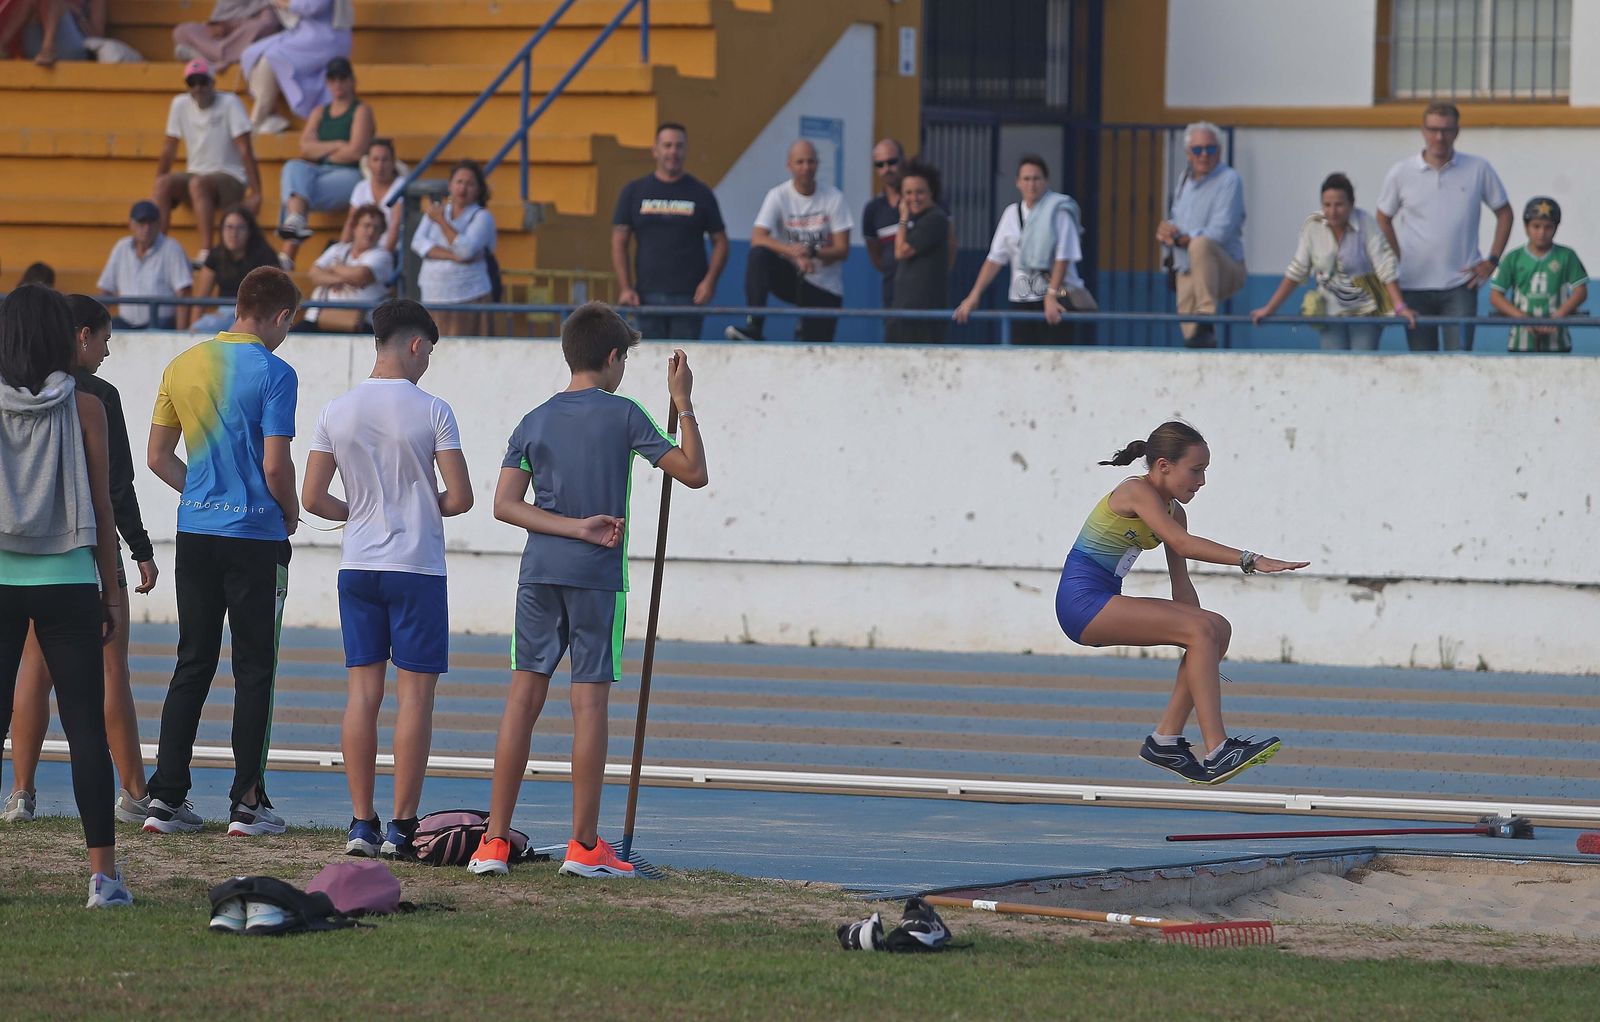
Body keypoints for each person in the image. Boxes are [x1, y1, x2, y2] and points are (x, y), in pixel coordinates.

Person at [466, 302, 708, 879]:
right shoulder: (624, 414)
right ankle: (583, 846)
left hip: (539, 574)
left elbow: (504, 506)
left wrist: (569, 526)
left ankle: (493, 844)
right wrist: (685, 405)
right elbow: (694, 472)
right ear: (613, 357)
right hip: (597, 577)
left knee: (522, 700)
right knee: (589, 704)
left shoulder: (534, 418)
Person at [300, 298, 472, 859]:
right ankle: (401, 825)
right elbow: (461, 497)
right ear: (416, 343)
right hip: (416, 565)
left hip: (359, 563)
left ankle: (360, 823)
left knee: (362, 695)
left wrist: (356, 511)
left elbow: (313, 497)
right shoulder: (434, 410)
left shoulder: (336, 410)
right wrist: (422, 502)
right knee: (415, 699)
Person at [1055, 421, 1308, 785]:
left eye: (1205, 472)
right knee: (1201, 630)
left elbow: (1182, 583)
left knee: (1216, 628)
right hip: (1081, 604)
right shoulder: (1135, 492)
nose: (1202, 482)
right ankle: (1219, 748)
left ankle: (1166, 740)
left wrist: (1203, 637)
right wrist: (1252, 559)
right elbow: (1186, 545)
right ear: (1163, 466)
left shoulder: (1174, 512)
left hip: (1103, 598)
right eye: (1196, 471)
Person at [143, 266, 300, 838]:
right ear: (280, 316)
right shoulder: (276, 372)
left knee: (193, 661)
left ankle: (165, 797)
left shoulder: (182, 364)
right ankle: (247, 803)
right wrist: (287, 511)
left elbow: (158, 456)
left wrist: (206, 496)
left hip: (196, 533)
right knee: (255, 668)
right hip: (255, 535)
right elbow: (275, 464)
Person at [3, 295, 158, 828]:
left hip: (12, 557)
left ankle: (21, 791)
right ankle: (133, 792)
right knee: (110, 677)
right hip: (78, 556)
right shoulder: (94, 398)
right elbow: (113, 486)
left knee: (30, 673)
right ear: (79, 335)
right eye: (105, 339)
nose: (108, 351)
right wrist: (137, 549)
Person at [1376, 102, 1512, 352]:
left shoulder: (1478, 168)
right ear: (1423, 130)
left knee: (1459, 363)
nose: (1439, 137)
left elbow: (1504, 213)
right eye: (1433, 129)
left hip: (1460, 285)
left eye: (1446, 130)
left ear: (1457, 132)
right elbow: (1383, 217)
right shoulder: (1401, 172)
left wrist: (1492, 260)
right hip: (1413, 284)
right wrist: (1396, 258)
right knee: (1422, 365)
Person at [1249, 173, 1416, 349]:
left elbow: (1385, 265)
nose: (1332, 211)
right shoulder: (1313, 227)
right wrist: (1270, 308)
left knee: (1363, 364)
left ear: (1352, 204)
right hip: (1330, 312)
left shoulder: (1366, 222)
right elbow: (1297, 271)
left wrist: (1399, 307)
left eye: (1339, 205)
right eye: (1327, 205)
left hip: (1367, 311)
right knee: (1334, 366)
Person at [724, 140, 852, 343]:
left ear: (818, 164)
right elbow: (758, 237)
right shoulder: (778, 195)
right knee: (759, 256)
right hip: (794, 276)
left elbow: (842, 249)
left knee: (815, 350)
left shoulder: (834, 198)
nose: (806, 168)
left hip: (824, 285)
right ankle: (754, 325)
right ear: (789, 165)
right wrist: (793, 252)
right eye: (800, 162)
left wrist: (812, 252)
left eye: (810, 162)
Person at [611, 122, 728, 340]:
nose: (673, 151)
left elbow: (721, 241)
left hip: (690, 298)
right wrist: (626, 287)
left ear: (685, 150)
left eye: (679, 146)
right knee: (651, 364)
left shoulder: (701, 193)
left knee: (681, 365)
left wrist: (709, 283)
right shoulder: (634, 191)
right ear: (655, 150)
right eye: (667, 145)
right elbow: (619, 241)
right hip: (645, 298)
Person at [953, 154, 1087, 344]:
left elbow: (1063, 257)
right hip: (1021, 298)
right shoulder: (1011, 214)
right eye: (1026, 179)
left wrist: (1051, 296)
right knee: (1022, 357)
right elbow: (995, 259)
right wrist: (974, 295)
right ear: (1017, 182)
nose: (1031, 184)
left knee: (1055, 357)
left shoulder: (1059, 212)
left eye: (1036, 178)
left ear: (1046, 181)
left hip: (1055, 299)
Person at [152, 58, 264, 269]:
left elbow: (245, 149)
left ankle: (206, 251)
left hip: (231, 177)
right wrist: (160, 189)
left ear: (213, 82)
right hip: (198, 176)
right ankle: (157, 249)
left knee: (197, 184)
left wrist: (256, 192)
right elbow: (169, 148)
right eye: (192, 83)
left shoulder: (230, 102)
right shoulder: (180, 104)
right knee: (162, 185)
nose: (198, 88)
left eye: (203, 81)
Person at [275, 57, 374, 267]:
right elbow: (305, 148)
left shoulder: (360, 110)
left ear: (352, 81)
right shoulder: (321, 111)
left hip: (349, 175)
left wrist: (322, 151)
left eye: (342, 78)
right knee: (293, 167)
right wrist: (338, 145)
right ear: (328, 83)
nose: (338, 83)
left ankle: (288, 254)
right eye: (333, 79)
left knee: (299, 189)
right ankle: (296, 221)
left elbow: (356, 151)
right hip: (320, 172)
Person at [1157, 123, 1246, 348]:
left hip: (1225, 266)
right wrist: (1167, 230)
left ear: (1220, 151)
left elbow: (1220, 232)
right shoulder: (1184, 180)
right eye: (1197, 150)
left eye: (1210, 149)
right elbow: (1178, 219)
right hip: (1186, 267)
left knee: (1201, 244)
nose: (1204, 155)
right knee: (1192, 339)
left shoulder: (1229, 180)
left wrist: (1181, 239)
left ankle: (1207, 316)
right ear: (1188, 153)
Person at [1489, 197, 1589, 354]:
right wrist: (1522, 318)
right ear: (1526, 227)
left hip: (1558, 341)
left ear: (1556, 228)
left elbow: (1580, 291)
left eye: (1548, 227)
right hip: (1520, 342)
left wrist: (1557, 317)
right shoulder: (1513, 258)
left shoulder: (1567, 256)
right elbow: (1496, 296)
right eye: (1536, 226)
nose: (1542, 233)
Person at [410, 159, 497, 338]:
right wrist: (454, 256)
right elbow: (418, 243)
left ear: (479, 189)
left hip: (468, 295)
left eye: (470, 184)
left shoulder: (482, 217)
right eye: (459, 182)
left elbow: (466, 250)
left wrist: (442, 221)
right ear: (450, 185)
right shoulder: (437, 210)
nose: (463, 188)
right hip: (433, 294)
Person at [242, 0, 354, 134]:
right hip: (301, 33)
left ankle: (257, 120)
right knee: (252, 53)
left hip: (326, 38)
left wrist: (285, 4)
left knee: (272, 58)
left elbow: (314, 6)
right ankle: (270, 113)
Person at [97, 201, 194, 330]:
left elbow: (184, 292)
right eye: (142, 223)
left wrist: (181, 333)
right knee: (105, 331)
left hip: (161, 323)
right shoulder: (121, 248)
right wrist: (99, 324)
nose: (147, 228)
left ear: (158, 224)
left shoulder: (172, 248)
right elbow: (106, 290)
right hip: (127, 322)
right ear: (131, 224)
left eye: (151, 222)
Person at [181, 205, 280, 332]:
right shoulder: (215, 255)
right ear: (221, 230)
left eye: (240, 228)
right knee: (197, 330)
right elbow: (201, 299)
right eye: (229, 227)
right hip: (223, 312)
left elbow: (276, 296)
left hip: (255, 314)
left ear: (250, 231)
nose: (234, 234)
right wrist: (192, 329)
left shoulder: (265, 256)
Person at [298, 203, 393, 332]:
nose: (371, 232)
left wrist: (334, 268)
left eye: (376, 228)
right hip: (318, 318)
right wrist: (341, 279)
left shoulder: (383, 255)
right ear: (354, 227)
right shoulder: (337, 249)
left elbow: (361, 274)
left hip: (360, 324)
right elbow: (314, 274)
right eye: (366, 226)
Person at [885, 160, 950, 344]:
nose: (914, 198)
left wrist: (903, 218)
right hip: (902, 311)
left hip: (924, 315)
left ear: (931, 192)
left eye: (920, 192)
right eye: (908, 193)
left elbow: (901, 251)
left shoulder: (935, 219)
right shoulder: (919, 220)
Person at [173, 0, 280, 72]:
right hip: (223, 36)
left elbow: (268, 22)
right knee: (182, 31)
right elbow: (217, 19)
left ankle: (208, 60)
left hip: (245, 33)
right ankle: (218, 57)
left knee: (263, 26)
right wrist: (216, 26)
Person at [343, 137, 405, 252]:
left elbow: (395, 227)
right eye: (375, 160)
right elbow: (351, 224)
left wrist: (384, 257)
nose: (380, 166)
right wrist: (341, 253)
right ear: (368, 163)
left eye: (385, 160)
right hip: (360, 252)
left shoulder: (401, 186)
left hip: (391, 252)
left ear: (393, 162)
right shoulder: (361, 187)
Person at [0, 0, 101, 65]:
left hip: (73, 47)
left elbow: (97, 36)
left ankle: (48, 48)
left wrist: (76, 14)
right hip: (34, 45)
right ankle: (2, 46)